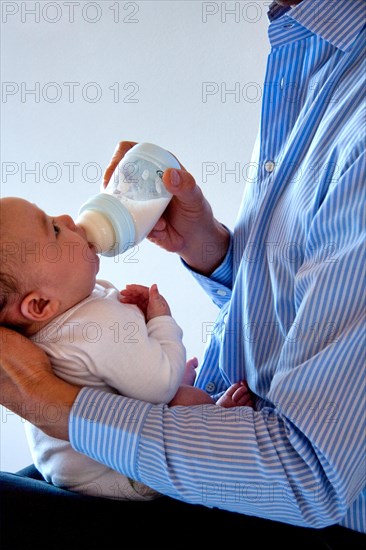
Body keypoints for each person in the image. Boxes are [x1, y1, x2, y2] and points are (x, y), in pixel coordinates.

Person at [1, 0, 365, 548]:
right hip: (163, 443)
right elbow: (305, 310)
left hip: (286, 505)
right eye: (52, 232)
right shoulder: (311, 53)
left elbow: (310, 475)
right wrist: (212, 252)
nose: (64, 218)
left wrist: (47, 400)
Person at [0, 196, 252, 501]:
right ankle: (221, 426)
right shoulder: (97, 323)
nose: (67, 218)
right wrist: (161, 321)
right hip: (114, 475)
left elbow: (106, 376)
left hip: (64, 466)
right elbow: (160, 386)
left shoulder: (56, 321)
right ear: (39, 305)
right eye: (53, 230)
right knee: (190, 399)